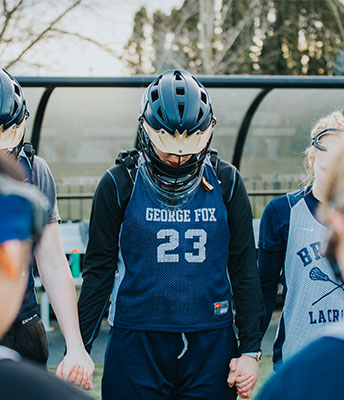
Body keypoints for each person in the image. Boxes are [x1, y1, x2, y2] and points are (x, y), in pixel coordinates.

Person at [78, 69, 265, 399]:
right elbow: (99, 272)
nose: (179, 156)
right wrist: (78, 345)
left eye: (190, 144)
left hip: (210, 339)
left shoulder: (227, 181)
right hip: (137, 339)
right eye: (168, 144)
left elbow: (244, 269)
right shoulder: (119, 182)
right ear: (146, 131)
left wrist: (250, 350)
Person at [0, 63, 94, 388]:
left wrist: (75, 345)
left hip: (20, 324)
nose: (0, 154)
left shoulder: (33, 169)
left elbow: (54, 263)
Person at [257, 138, 344, 400]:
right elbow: (266, 285)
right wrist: (250, 347)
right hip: (298, 350)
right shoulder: (283, 212)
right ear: (312, 159)